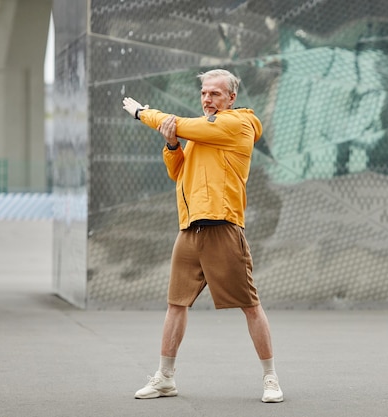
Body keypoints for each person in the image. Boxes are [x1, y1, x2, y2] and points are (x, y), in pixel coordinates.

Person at [121, 69, 283, 403]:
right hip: (189, 230)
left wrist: (141, 113)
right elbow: (178, 172)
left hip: (223, 227)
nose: (207, 99)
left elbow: (176, 122)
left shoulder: (237, 123)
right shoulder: (199, 131)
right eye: (204, 93)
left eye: (215, 94)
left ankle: (271, 378)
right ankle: (165, 377)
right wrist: (171, 145)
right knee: (175, 305)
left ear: (232, 98)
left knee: (250, 306)